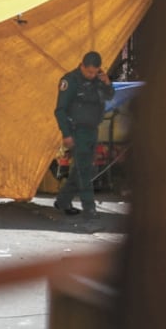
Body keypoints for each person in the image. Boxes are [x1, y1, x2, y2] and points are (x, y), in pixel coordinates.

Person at [53, 51, 114, 224]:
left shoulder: (97, 80)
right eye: (89, 72)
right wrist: (66, 134)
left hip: (92, 130)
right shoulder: (70, 81)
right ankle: (90, 208)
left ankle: (63, 201)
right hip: (76, 131)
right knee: (85, 170)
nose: (92, 75)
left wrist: (107, 83)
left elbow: (109, 95)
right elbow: (60, 110)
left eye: (95, 72)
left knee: (81, 168)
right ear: (82, 66)